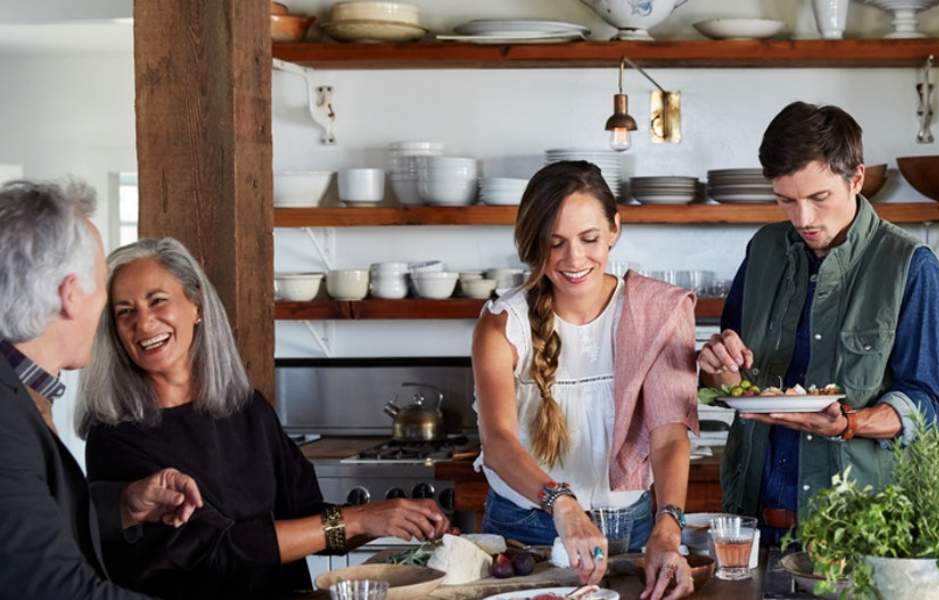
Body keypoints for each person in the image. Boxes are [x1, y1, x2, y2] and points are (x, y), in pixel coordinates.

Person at [75, 237, 450, 600]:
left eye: (157, 301)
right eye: (125, 311)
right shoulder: (115, 437)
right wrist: (361, 518)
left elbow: (309, 520)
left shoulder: (246, 407)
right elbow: (218, 550)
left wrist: (394, 519)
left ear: (196, 305)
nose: (143, 323)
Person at [697, 101, 939, 545]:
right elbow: (732, 379)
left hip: (857, 531)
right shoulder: (763, 250)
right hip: (754, 521)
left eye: (818, 198)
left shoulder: (910, 265)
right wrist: (718, 366)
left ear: (856, 179)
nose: (803, 219)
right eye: (786, 200)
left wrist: (850, 423)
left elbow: (925, 402)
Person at [472, 160, 699, 599]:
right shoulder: (502, 324)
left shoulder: (658, 311)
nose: (574, 259)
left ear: (614, 229)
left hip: (632, 527)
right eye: (554, 243)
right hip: (524, 529)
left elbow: (669, 437)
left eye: (589, 239)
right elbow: (497, 443)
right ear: (534, 242)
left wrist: (668, 529)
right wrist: (563, 505)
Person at [0, 178, 203, 600]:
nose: (107, 308)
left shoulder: (20, 395)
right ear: (71, 295)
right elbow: (54, 588)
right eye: (103, 284)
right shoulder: (5, 420)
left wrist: (125, 504)